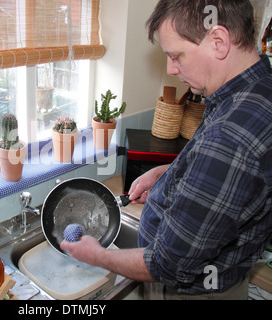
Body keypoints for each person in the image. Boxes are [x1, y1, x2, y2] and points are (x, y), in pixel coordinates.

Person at [61, 0, 272, 299]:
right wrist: (170, 173)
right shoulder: (254, 92)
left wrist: (97, 256)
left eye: (176, 56)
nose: (171, 69)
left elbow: (166, 264)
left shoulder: (231, 136)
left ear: (219, 41)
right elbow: (228, 182)